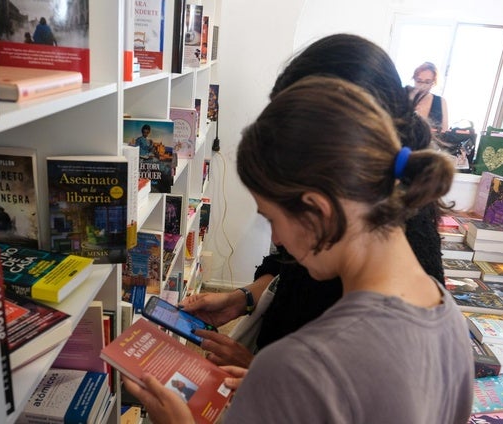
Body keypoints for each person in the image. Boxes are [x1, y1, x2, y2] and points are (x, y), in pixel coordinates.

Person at [124, 75, 474, 423]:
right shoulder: (449, 319)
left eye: (272, 218)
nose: (277, 240)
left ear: (317, 210)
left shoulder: (304, 364)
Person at [180, 33, 447, 368]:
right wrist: (242, 299)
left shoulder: (400, 257)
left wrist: (266, 378)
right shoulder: (336, 210)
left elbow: (348, 386)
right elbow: (288, 264)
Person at [408, 61, 448, 132]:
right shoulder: (406, 97)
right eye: (419, 81)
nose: (423, 85)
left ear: (433, 82)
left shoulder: (441, 102)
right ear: (414, 79)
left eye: (427, 82)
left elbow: (444, 132)